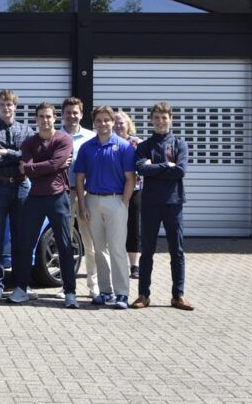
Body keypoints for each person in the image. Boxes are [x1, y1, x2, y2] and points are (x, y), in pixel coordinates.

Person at [74, 105, 136, 310]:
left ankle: (122, 294)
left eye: (106, 120)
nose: (103, 124)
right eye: (99, 120)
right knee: (99, 249)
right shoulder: (87, 147)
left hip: (116, 200)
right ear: (94, 123)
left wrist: (124, 203)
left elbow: (130, 179)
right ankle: (105, 291)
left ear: (112, 122)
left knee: (117, 248)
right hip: (92, 200)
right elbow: (80, 179)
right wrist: (82, 205)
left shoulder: (124, 147)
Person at [132, 102, 193, 311]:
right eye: (156, 118)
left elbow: (181, 171)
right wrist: (167, 166)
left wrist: (153, 168)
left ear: (171, 119)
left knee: (177, 251)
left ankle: (178, 296)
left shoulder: (179, 144)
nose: (160, 121)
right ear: (151, 120)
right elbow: (140, 168)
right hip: (150, 204)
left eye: (164, 118)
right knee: (147, 251)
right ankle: (143, 295)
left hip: (173, 203)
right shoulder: (145, 145)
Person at [18, 103, 77, 308]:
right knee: (26, 244)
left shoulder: (64, 139)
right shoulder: (29, 142)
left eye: (49, 116)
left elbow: (46, 165)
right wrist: (39, 167)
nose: (45, 120)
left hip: (58, 197)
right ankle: (21, 288)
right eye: (42, 116)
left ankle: (70, 292)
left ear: (55, 118)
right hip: (34, 197)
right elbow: (30, 169)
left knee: (64, 244)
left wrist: (33, 167)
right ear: (36, 119)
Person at [0, 89, 34, 302]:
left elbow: (30, 156)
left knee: (20, 237)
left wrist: (7, 153)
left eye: (10, 104)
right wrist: (14, 156)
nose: (6, 108)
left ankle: (21, 283)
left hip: (21, 187)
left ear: (16, 107)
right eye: (3, 105)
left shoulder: (27, 130)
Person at [61, 96, 98, 299]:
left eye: (75, 112)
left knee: (90, 241)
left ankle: (94, 286)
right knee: (65, 242)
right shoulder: (55, 136)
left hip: (85, 194)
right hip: (62, 194)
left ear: (81, 115)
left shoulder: (91, 138)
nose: (72, 116)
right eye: (68, 112)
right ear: (63, 115)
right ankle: (66, 285)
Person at [114, 111, 143, 278]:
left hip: (135, 190)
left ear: (128, 125)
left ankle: (134, 266)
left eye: (121, 123)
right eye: (116, 122)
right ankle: (117, 263)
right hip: (114, 191)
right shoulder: (109, 142)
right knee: (115, 228)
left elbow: (144, 164)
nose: (118, 125)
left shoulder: (137, 143)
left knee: (133, 227)